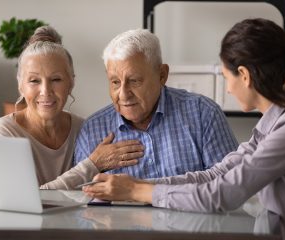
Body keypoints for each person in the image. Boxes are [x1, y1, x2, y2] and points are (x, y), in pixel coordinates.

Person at [83, 19, 285, 240]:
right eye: (115, 82)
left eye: (225, 78)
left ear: (244, 75)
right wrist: (137, 185)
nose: (229, 89)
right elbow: (214, 175)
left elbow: (220, 194)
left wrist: (136, 191)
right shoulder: (270, 128)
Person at [0, 26, 144, 187]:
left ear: (71, 83)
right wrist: (93, 165)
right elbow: (25, 201)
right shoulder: (4, 132)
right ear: (20, 85)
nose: (45, 91)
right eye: (34, 81)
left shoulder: (84, 129)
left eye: (56, 79)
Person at [74, 28, 238, 179]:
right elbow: (80, 203)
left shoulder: (204, 114)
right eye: (115, 82)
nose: (123, 94)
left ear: (162, 75)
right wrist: (95, 165)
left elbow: (230, 186)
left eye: (134, 81)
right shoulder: (92, 131)